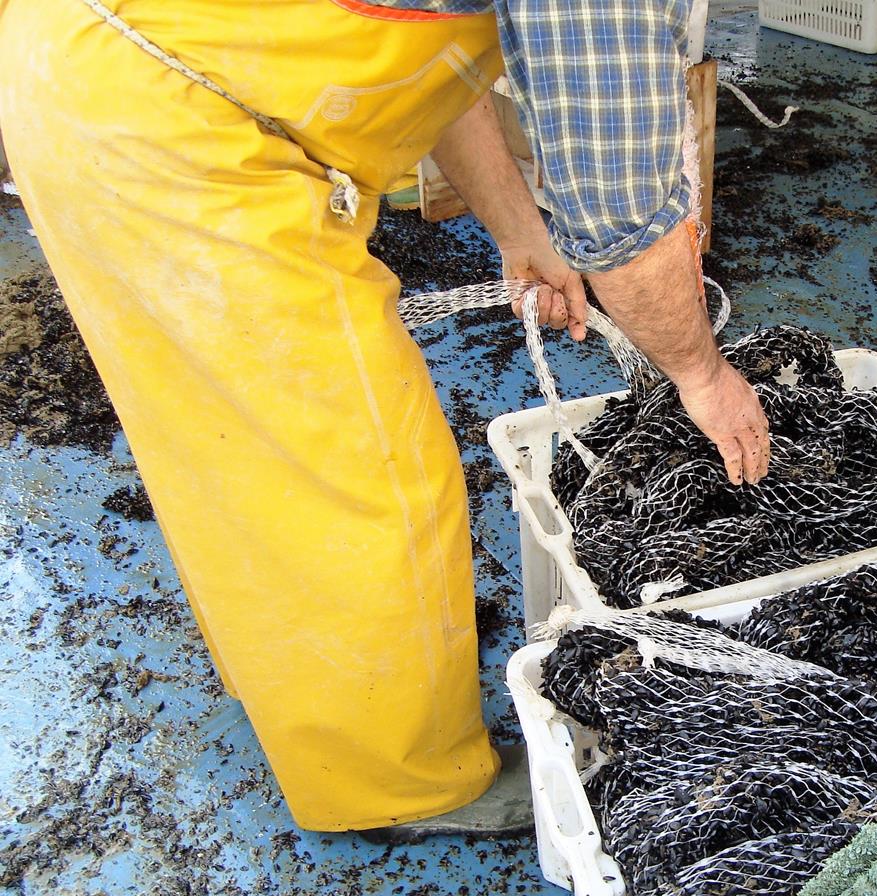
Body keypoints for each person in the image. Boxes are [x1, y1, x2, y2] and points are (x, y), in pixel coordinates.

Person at [0, 0, 770, 841]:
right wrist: (702, 372)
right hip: (173, 134)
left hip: (90, 71)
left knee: (232, 448)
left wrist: (519, 229)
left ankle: (302, 680)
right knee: (367, 480)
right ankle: (400, 783)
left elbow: (439, 64)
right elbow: (621, 220)